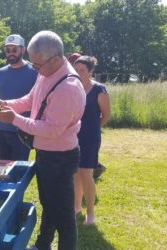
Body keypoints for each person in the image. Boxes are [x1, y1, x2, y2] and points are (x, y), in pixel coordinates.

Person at [0, 31, 86, 250]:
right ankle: (43, 245)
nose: (35, 69)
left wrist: (14, 119)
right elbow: (31, 100)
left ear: (57, 59)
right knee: (48, 205)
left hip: (60, 158)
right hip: (46, 154)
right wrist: (6, 104)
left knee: (64, 217)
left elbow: (50, 130)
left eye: (37, 65)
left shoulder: (68, 88)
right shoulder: (46, 72)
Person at [0, 34, 37, 161]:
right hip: (2, 130)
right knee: (4, 169)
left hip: (23, 131)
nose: (10, 53)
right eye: (8, 50)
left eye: (14, 50)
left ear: (23, 50)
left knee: (19, 170)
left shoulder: (35, 72)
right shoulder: (0, 73)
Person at [73, 55, 111, 225]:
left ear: (90, 71)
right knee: (75, 173)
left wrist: (94, 128)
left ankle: (90, 214)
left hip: (90, 138)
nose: (78, 72)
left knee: (86, 173)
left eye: (82, 70)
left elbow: (106, 115)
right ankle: (76, 208)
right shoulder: (73, 87)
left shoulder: (99, 90)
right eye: (76, 69)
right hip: (73, 136)